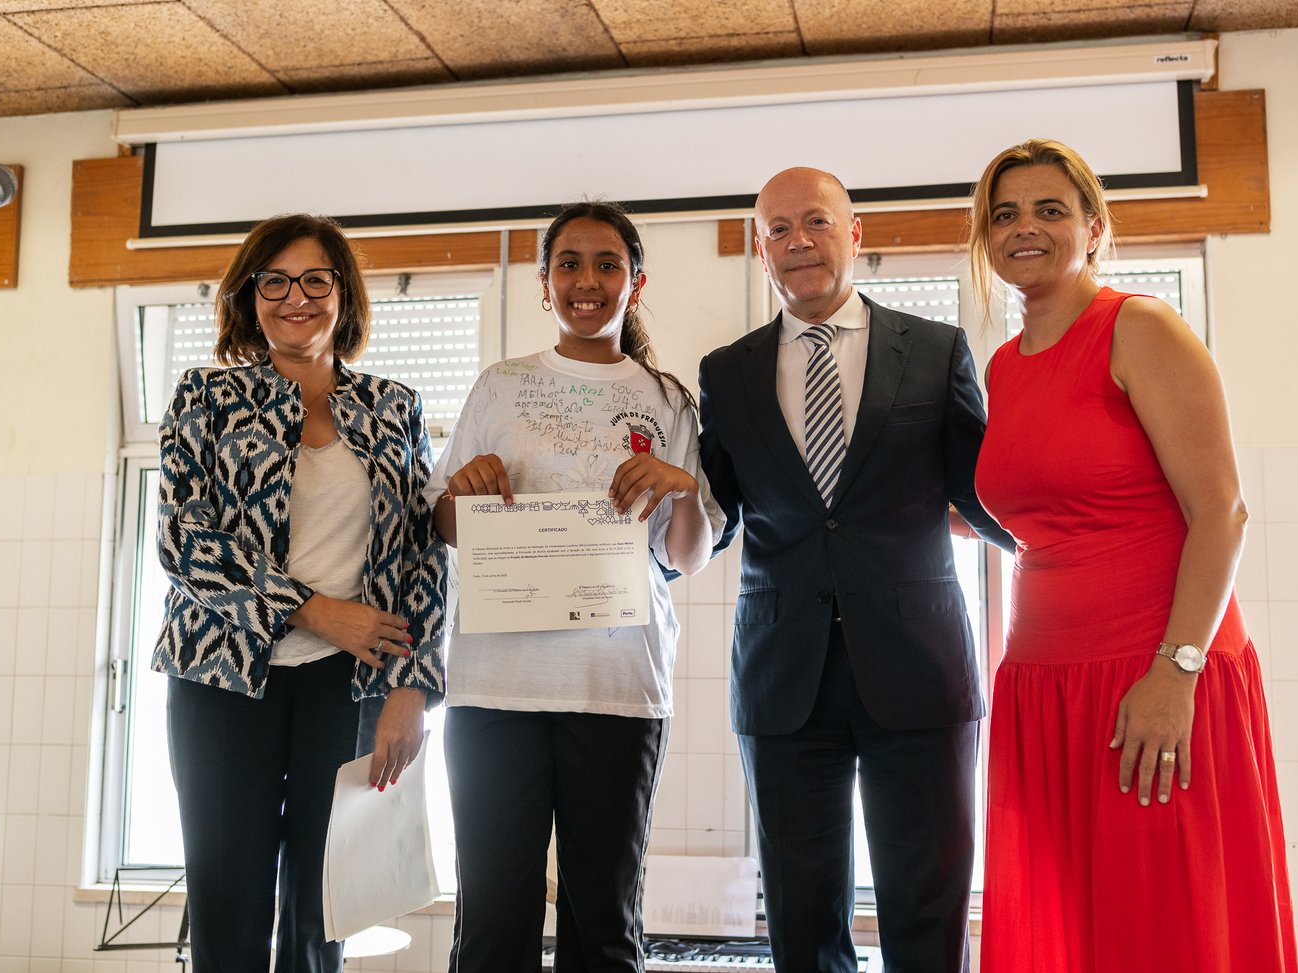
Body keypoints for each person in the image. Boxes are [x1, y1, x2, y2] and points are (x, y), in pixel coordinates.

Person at [968, 139, 1297, 973]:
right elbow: (1050, 513)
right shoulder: (1003, 367)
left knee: (1166, 927)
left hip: (1151, 678)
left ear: (1094, 228)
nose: (1024, 227)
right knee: (1077, 930)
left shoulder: (1139, 328)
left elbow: (1221, 511)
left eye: (1050, 209)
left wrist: (1176, 673)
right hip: (1046, 687)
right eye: (1005, 214)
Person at [698, 167, 1013, 973]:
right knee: (801, 924)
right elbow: (714, 516)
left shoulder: (936, 349)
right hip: (782, 677)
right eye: (777, 229)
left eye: (816, 221)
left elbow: (984, 494)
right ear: (760, 249)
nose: (797, 240)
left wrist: (1075, 546)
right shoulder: (727, 371)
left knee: (927, 911)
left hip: (920, 669)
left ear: (855, 232)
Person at [430, 200, 721, 972]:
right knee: (493, 923)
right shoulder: (500, 385)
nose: (587, 280)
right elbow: (448, 527)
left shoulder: (669, 400)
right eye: (569, 264)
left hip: (617, 688)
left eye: (606, 264)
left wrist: (685, 488)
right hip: (495, 688)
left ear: (635, 282)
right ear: (544, 282)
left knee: (604, 925)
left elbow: (687, 557)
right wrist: (463, 488)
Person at [155, 213, 446, 972]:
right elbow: (183, 541)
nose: (296, 297)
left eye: (316, 280)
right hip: (220, 680)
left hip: (350, 686)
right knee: (228, 903)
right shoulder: (203, 397)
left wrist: (413, 688)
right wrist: (315, 611)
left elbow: (422, 556)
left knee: (324, 911)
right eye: (275, 281)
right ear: (248, 297)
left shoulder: (394, 407)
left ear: (343, 295)